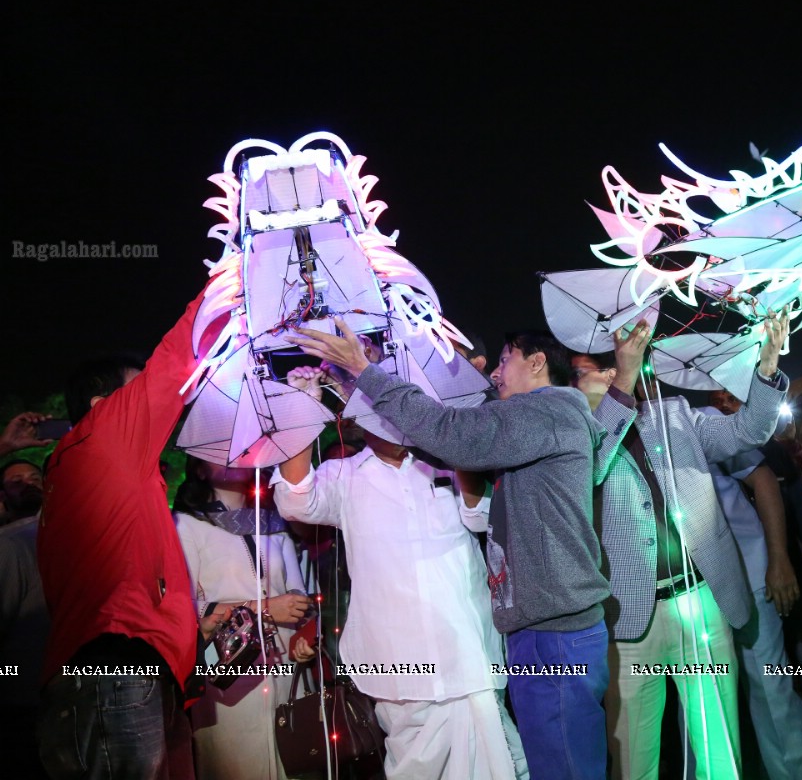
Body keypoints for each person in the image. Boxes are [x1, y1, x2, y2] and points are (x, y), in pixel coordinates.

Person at [287, 322, 611, 780]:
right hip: (522, 632)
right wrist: (341, 386)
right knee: (550, 760)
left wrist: (364, 368)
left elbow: (450, 435)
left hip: (545, 632)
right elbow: (446, 437)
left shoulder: (545, 413)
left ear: (537, 362)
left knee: (562, 765)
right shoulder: (351, 474)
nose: (494, 375)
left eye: (503, 361)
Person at [273, 366, 527, 780]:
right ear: (359, 419)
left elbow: (479, 517)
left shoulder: (443, 465)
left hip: (466, 647)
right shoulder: (344, 475)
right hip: (395, 661)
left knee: (495, 755)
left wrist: (453, 445)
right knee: (414, 766)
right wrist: (302, 410)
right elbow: (295, 501)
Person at [573, 313, 794, 780]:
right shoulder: (576, 438)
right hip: (629, 621)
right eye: (599, 366)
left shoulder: (673, 414)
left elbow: (747, 432)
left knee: (719, 750)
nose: (613, 370)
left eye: (622, 360)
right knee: (636, 759)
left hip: (701, 602)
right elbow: (589, 471)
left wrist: (768, 370)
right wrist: (621, 387)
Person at [37, 291, 209, 780]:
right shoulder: (104, 435)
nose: (151, 409)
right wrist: (233, 277)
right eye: (134, 394)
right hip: (117, 666)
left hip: (105, 672)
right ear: (102, 406)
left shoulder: (80, 472)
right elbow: (176, 359)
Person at [173, 457, 315, 779]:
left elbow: (299, 597)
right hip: (229, 669)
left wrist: (304, 637)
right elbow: (187, 606)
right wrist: (264, 607)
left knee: (294, 762)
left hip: (286, 667)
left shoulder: (273, 524)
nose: (235, 456)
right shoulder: (187, 525)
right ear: (199, 469)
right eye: (220, 453)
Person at [699, 416, 802, 780]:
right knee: (709, 705)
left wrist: (779, 559)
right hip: (689, 595)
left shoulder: (696, 424)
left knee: (771, 691)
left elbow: (764, 480)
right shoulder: (608, 435)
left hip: (748, 574)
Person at [0, 457, 50, 778]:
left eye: (34, 477)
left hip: (22, 696)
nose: (29, 483)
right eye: (17, 481)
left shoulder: (10, 543)